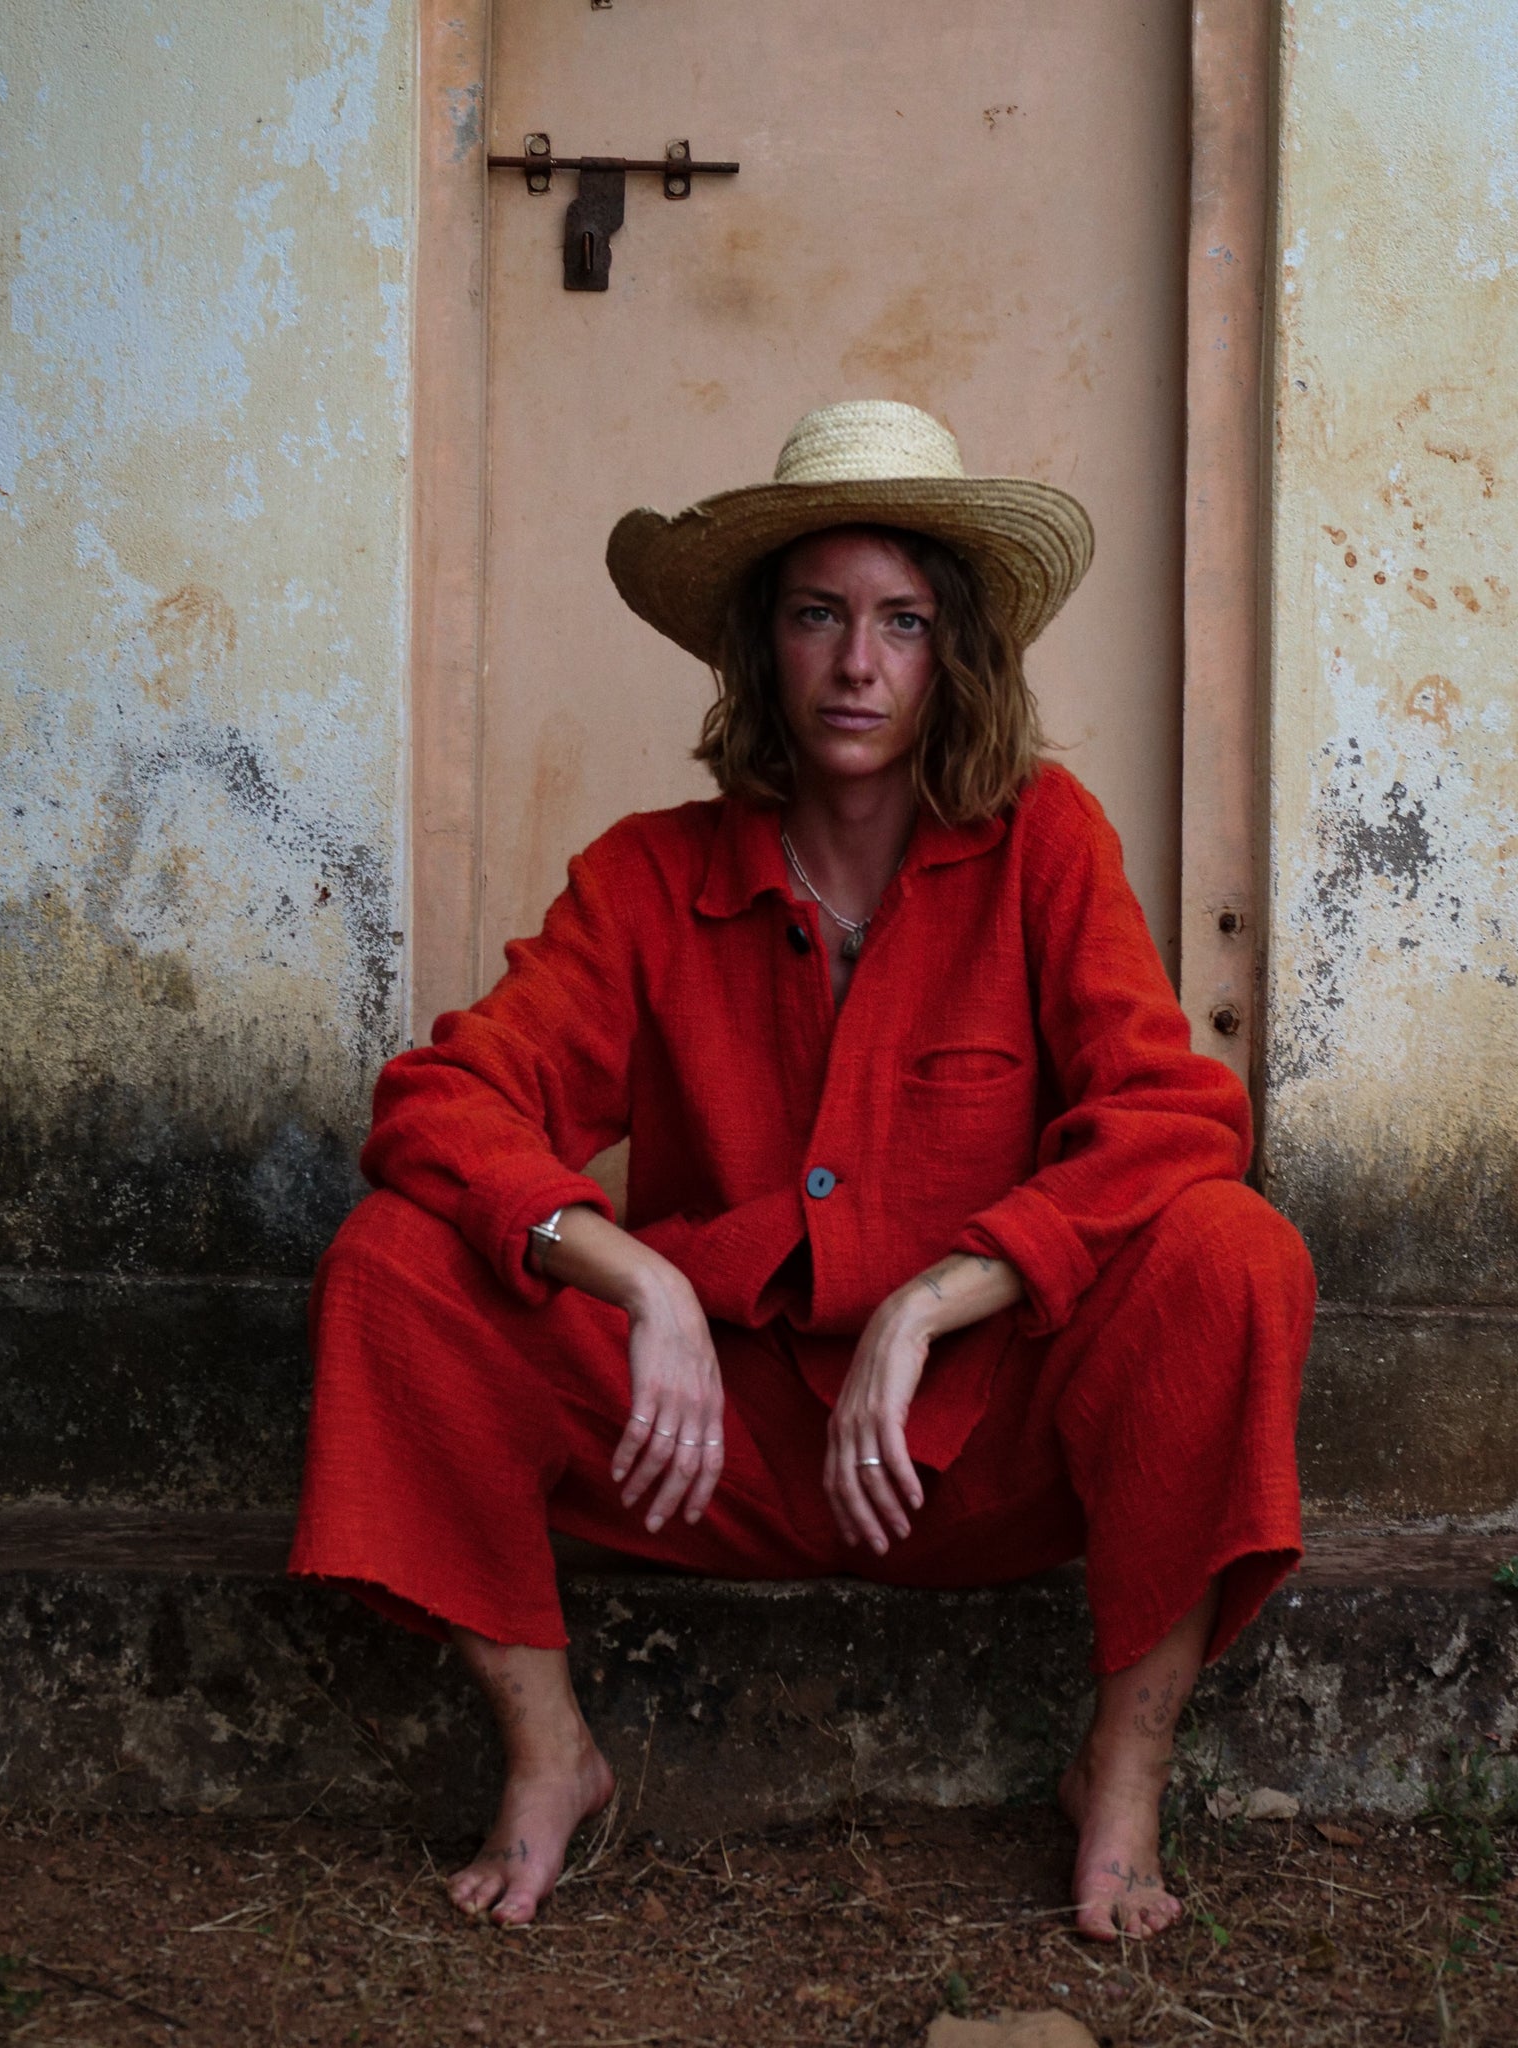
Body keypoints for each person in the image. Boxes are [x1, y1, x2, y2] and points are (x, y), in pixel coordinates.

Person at [290, 399, 1315, 1942]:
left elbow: (1174, 1116)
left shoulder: (1044, 844)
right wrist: (633, 1278)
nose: (856, 663)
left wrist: (935, 1302)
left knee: (1237, 1252)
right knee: (391, 1258)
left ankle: (1121, 1772)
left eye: (901, 622)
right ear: (760, 648)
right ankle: (552, 1751)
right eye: (817, 616)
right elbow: (441, 1106)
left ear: (949, 652)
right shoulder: (646, 878)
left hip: (974, 1450)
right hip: (712, 1451)